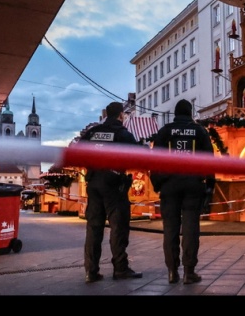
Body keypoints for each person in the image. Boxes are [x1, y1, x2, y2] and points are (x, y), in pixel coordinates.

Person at [150, 99, 215, 284]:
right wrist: (210, 185)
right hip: (193, 184)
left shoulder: (165, 131)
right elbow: (209, 159)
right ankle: (189, 271)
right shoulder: (199, 131)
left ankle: (172, 271)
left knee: (170, 229)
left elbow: (154, 160)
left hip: (169, 185)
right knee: (190, 229)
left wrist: (158, 183)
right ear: (190, 112)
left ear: (175, 113)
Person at [80, 101, 143, 283]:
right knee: (118, 227)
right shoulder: (123, 134)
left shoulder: (92, 132)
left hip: (94, 183)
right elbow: (137, 156)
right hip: (114, 185)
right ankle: (120, 269)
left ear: (106, 114)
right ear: (121, 115)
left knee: (94, 228)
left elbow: (78, 151)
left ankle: (91, 271)